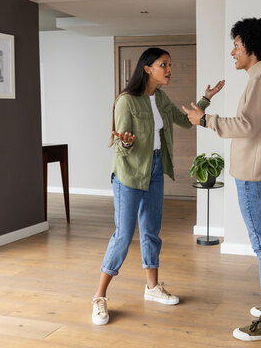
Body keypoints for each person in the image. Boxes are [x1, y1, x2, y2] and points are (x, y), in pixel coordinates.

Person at [92, 47, 224, 325]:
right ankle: (100, 296)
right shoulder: (127, 101)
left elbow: (185, 122)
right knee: (124, 236)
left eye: (170, 64)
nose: (169, 69)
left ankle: (152, 288)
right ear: (147, 68)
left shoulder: (160, 98)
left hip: (154, 170)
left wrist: (206, 99)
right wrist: (126, 142)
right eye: (164, 64)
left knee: (151, 231)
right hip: (129, 174)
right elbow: (121, 144)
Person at [183, 18, 261, 341]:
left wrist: (205, 120)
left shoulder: (260, 80)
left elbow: (246, 126)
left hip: (253, 174)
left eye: (237, 45)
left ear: (251, 48)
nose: (233, 51)